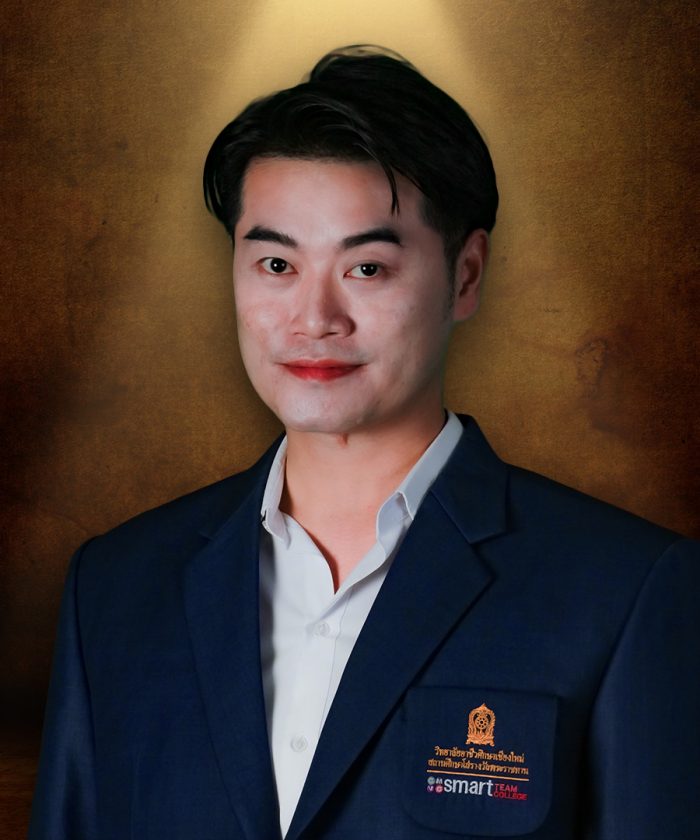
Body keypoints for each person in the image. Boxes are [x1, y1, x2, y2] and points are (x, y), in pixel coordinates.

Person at [29, 45, 699, 840]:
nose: (314, 319)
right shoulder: (115, 588)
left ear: (465, 275)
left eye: (368, 269)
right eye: (276, 263)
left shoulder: (623, 591)